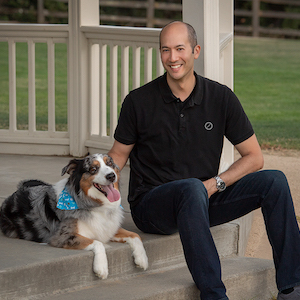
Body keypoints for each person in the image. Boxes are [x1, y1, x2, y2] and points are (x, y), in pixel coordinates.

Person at [108, 21, 300, 300]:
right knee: (191, 187)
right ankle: (214, 295)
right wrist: (90, 184)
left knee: (274, 181)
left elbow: (255, 157)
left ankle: (292, 287)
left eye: (179, 49)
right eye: (165, 50)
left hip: (203, 198)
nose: (172, 58)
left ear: (196, 50)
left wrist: (216, 183)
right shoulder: (138, 101)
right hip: (152, 206)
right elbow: (118, 156)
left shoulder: (220, 97)